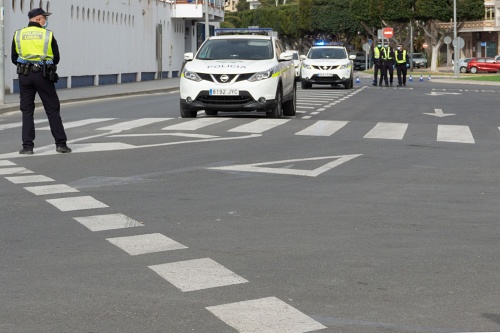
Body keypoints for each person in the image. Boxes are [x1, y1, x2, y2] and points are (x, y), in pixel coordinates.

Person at [11, 8, 71, 155]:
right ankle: (61, 144)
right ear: (38, 19)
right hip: (43, 75)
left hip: (24, 76)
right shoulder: (47, 35)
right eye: (44, 18)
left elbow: (14, 58)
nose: (45, 20)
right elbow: (56, 58)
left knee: (27, 111)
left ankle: (27, 147)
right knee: (52, 109)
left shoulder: (18, 34)